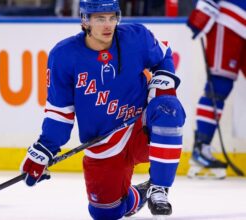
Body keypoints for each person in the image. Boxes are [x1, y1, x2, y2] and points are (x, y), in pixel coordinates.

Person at [20, 0, 186, 219]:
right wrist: (45, 149)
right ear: (85, 20)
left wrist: (163, 79)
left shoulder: (136, 37)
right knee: (106, 213)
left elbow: (164, 55)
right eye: (100, 19)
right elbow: (60, 110)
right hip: (104, 144)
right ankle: (141, 193)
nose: (108, 25)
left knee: (168, 107)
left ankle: (159, 188)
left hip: (140, 129)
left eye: (112, 17)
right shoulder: (63, 55)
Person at [186, 0, 245, 179]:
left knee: (220, 85)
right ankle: (201, 150)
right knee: (219, 85)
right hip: (229, 20)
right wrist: (204, 8)